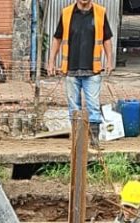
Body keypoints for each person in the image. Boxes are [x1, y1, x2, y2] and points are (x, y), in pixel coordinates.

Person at [47, 0, 114, 138]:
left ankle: (94, 139)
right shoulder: (66, 13)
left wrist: (109, 61)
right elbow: (57, 38)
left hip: (92, 70)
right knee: (74, 108)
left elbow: (106, 39)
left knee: (93, 107)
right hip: (71, 70)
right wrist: (51, 62)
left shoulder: (100, 13)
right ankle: (77, 140)